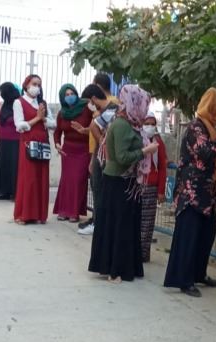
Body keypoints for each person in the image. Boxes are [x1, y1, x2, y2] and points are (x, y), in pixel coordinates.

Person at [164, 87, 216, 297]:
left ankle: (198, 273)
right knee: (189, 237)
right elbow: (205, 154)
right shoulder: (197, 127)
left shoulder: (208, 127)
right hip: (192, 193)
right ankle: (184, 280)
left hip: (206, 193)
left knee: (205, 235)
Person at [87, 84, 158, 282]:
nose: (144, 108)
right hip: (118, 183)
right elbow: (122, 157)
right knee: (118, 226)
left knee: (126, 226)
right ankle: (115, 268)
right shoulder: (121, 125)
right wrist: (145, 151)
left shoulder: (131, 124)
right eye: (142, 104)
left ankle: (124, 266)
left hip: (127, 183)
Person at [78, 84, 120, 235]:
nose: (89, 106)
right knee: (97, 189)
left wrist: (103, 143)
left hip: (108, 158)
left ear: (94, 99)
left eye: (89, 102)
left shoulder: (113, 109)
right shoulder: (103, 112)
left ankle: (100, 223)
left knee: (103, 191)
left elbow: (94, 127)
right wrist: (93, 159)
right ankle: (97, 221)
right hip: (99, 157)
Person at [13, 74, 55, 224]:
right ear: (26, 85)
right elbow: (19, 125)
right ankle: (24, 214)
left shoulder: (42, 104)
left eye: (39, 85)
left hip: (42, 143)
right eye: (34, 84)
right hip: (28, 143)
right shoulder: (19, 102)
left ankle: (39, 215)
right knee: (28, 178)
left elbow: (53, 124)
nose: (36, 87)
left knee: (41, 178)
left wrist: (43, 118)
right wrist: (37, 118)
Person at [53, 84, 92, 222]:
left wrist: (85, 130)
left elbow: (95, 126)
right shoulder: (62, 113)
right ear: (62, 98)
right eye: (67, 95)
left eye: (72, 94)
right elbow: (57, 132)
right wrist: (57, 144)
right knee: (67, 181)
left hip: (83, 149)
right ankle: (63, 211)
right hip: (67, 151)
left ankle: (74, 212)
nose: (70, 97)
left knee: (78, 180)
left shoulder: (86, 108)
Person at [140, 113, 168, 262]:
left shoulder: (158, 142)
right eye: (147, 123)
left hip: (151, 187)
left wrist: (161, 191)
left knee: (147, 224)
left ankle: (143, 254)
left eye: (152, 124)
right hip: (137, 185)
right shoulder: (137, 139)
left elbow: (162, 167)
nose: (150, 126)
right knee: (135, 221)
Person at [0, 82, 21, 200]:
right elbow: (1, 123)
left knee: (13, 167)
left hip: (15, 141)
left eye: (2, 91)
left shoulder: (18, 104)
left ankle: (14, 192)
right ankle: (2, 192)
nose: (1, 93)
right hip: (3, 140)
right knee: (2, 166)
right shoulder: (5, 105)